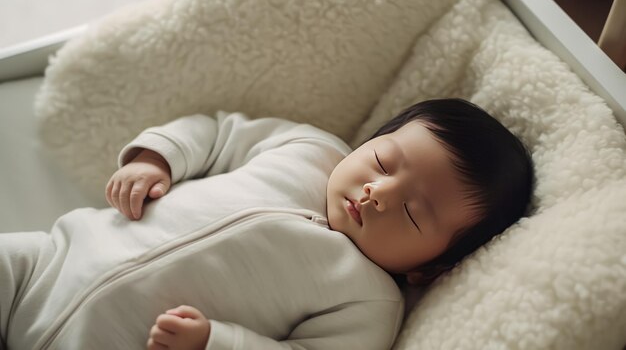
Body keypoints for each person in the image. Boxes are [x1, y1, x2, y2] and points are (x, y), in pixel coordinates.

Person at [0, 98, 532, 350]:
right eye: (383, 162)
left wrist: (216, 342)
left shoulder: (368, 301)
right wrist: (155, 160)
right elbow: (217, 133)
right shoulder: (310, 149)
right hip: (47, 262)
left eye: (415, 213)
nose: (379, 194)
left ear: (431, 267)